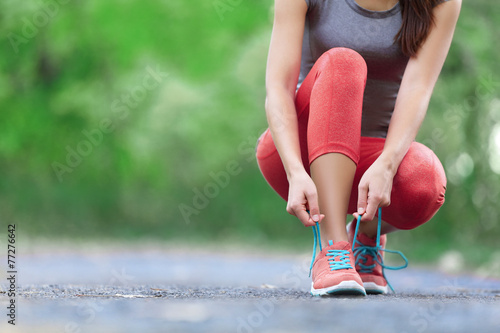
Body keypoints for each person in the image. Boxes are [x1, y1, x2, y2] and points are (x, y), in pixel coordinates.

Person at [255, 0, 461, 296]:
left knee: (425, 182)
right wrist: (295, 171)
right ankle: (333, 248)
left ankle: (364, 236)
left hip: (372, 160)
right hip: (299, 153)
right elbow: (278, 88)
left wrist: (388, 165)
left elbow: (418, 87)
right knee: (343, 62)